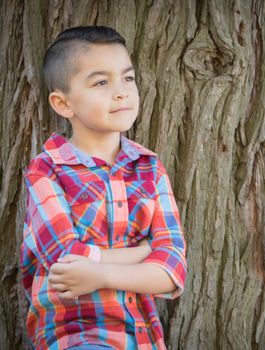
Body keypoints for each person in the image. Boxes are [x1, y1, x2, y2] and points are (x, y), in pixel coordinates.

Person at [19, 25, 187, 350]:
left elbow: (172, 268)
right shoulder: (48, 169)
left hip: (142, 337)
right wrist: (143, 252)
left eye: (128, 78)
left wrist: (100, 274)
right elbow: (66, 261)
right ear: (63, 104)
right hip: (74, 334)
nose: (121, 92)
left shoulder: (149, 168)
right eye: (101, 82)